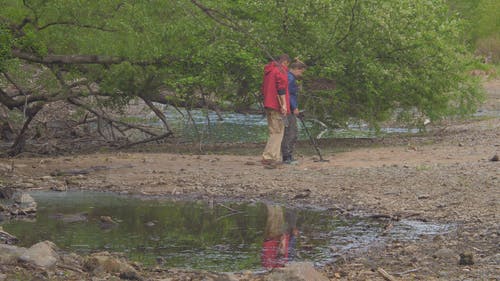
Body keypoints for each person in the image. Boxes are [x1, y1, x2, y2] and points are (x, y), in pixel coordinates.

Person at [261, 54, 291, 167]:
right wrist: (284, 105)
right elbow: (281, 88)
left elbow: (263, 88)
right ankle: (270, 156)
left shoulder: (269, 71)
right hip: (276, 104)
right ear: (284, 62)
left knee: (273, 130)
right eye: (287, 64)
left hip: (268, 104)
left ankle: (272, 155)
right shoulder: (280, 71)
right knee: (278, 131)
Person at [281, 60, 307, 164]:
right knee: (291, 132)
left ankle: (287, 156)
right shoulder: (290, 78)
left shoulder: (287, 76)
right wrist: (295, 107)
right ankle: (287, 157)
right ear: (297, 69)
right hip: (289, 109)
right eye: (301, 72)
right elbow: (289, 95)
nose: (301, 74)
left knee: (288, 132)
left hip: (286, 108)